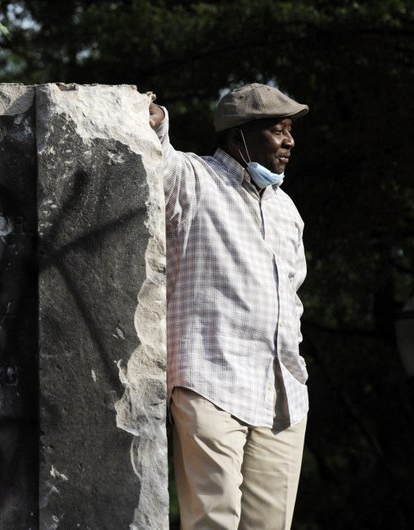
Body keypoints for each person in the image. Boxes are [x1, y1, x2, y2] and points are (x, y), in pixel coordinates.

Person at [148, 83, 310, 529]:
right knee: (212, 521)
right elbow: (160, 159)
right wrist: (157, 119)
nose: (289, 142)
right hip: (210, 380)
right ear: (241, 134)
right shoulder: (196, 179)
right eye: (279, 130)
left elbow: (293, 294)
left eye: (290, 131)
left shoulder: (287, 210)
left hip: (283, 393)